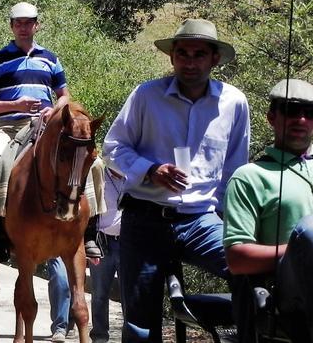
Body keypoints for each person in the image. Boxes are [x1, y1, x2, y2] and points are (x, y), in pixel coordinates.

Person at [103, 18, 251, 342]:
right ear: (172, 58)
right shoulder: (146, 96)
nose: (190, 62)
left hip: (202, 220)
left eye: (199, 54)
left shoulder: (233, 103)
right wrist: (150, 170)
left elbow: (235, 170)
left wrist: (232, 219)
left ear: (215, 59)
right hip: (145, 217)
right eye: (182, 53)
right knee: (140, 323)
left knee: (251, 271)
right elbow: (112, 148)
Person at [223, 79, 313, 342]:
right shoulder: (250, 176)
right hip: (285, 292)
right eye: (291, 111)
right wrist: (301, 251)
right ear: (272, 117)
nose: (301, 120)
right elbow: (237, 259)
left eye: (310, 113)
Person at [0, 1, 70, 264]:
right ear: (11, 26)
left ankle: (91, 230)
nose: (23, 28)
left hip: (46, 126)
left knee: (91, 162)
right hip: (9, 127)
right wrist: (16, 105)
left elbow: (65, 96)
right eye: (18, 23)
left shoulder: (50, 58)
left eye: (28, 23)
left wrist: (54, 110)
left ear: (36, 25)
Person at [89, 158, 124, 343]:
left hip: (127, 244)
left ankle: (130, 336)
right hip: (103, 243)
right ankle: (100, 337)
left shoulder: (133, 179)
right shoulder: (99, 177)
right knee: (100, 293)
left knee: (129, 294)